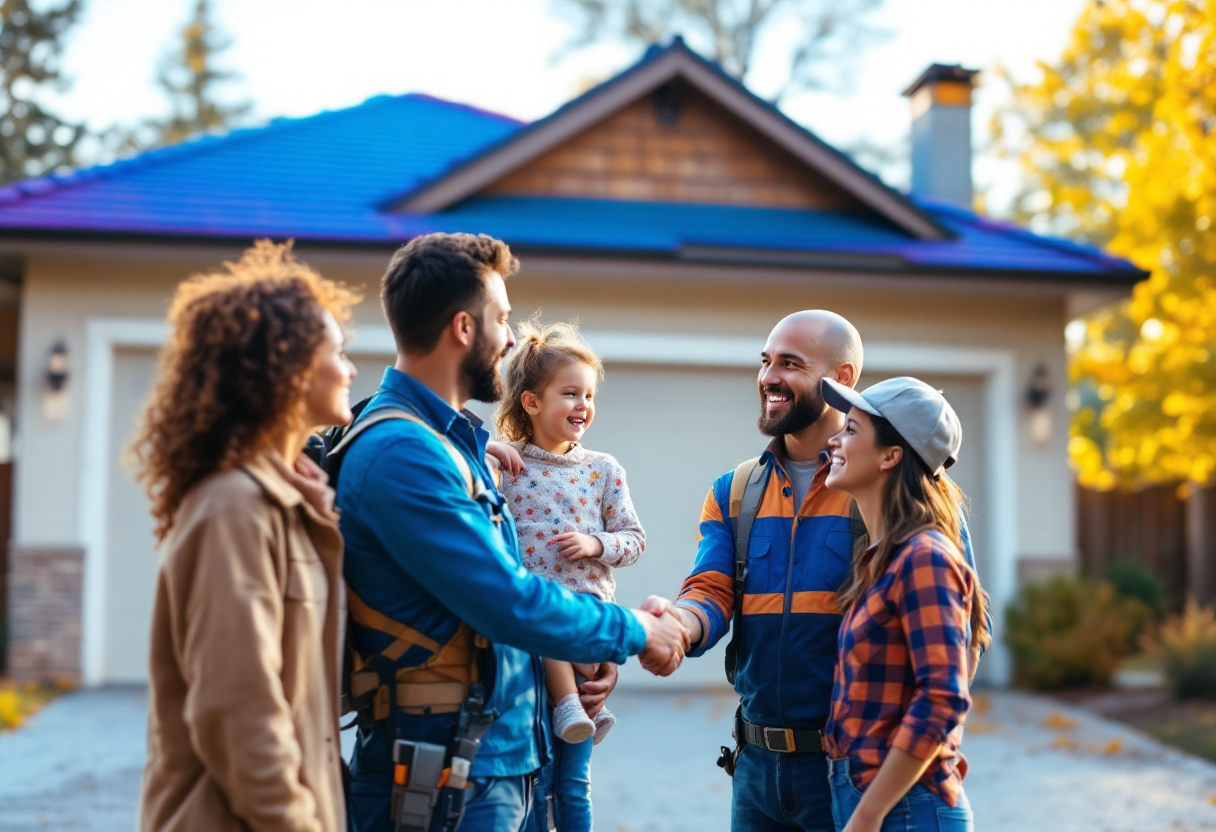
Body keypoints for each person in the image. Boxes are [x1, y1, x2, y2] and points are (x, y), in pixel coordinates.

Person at [337, 232, 688, 832]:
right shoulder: (405, 453)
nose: (508, 339)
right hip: (448, 779)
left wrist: (584, 653)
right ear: (463, 329)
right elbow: (507, 601)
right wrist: (635, 630)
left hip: (496, 758)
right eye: (500, 319)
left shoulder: (457, 444)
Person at [644, 310, 979, 832]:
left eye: (790, 363)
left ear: (841, 379)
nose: (769, 376)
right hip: (756, 767)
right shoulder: (733, 491)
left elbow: (958, 649)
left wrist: (918, 756)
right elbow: (710, 589)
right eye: (766, 361)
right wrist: (674, 628)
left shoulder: (902, 506)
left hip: (850, 770)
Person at [132, 241, 359, 832]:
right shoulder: (234, 508)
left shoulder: (288, 504)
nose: (351, 369)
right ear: (288, 369)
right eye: (338, 351)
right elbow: (239, 710)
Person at [818, 376, 990, 832]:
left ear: (892, 455)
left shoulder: (924, 557)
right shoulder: (881, 559)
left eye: (852, 430)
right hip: (873, 797)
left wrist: (869, 815)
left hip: (905, 811)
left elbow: (943, 697)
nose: (834, 440)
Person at [494, 319, 646, 831]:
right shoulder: (510, 467)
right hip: (530, 634)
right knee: (537, 777)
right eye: (570, 393)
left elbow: (634, 539)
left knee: (574, 781)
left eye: (589, 395)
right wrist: (490, 453)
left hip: (587, 624)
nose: (583, 405)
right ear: (531, 403)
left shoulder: (603, 469)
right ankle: (567, 707)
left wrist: (595, 543)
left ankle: (574, 710)